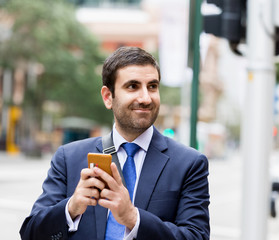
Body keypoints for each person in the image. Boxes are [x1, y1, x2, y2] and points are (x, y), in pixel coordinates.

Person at [20, 47, 210, 240]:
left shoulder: (190, 164)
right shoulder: (68, 158)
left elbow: (197, 236)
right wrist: (72, 207)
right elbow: (30, 234)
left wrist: (133, 218)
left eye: (152, 86)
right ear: (108, 97)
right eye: (132, 86)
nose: (145, 98)